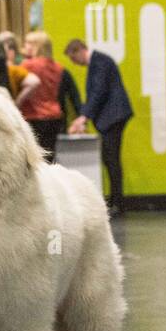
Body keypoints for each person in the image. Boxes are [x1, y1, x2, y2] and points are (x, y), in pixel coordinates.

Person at [65, 38, 133, 217]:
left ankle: (118, 203)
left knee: (112, 160)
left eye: (73, 59)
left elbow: (98, 92)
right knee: (110, 160)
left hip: (114, 117)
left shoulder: (99, 61)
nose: (75, 64)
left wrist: (83, 118)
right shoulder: (98, 62)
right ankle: (116, 200)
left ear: (79, 51)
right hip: (112, 117)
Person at [18, 31, 64, 161]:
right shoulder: (58, 67)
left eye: (27, 43)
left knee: (34, 158)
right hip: (54, 115)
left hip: (34, 116)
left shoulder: (28, 65)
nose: (25, 46)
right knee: (49, 156)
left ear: (35, 46)